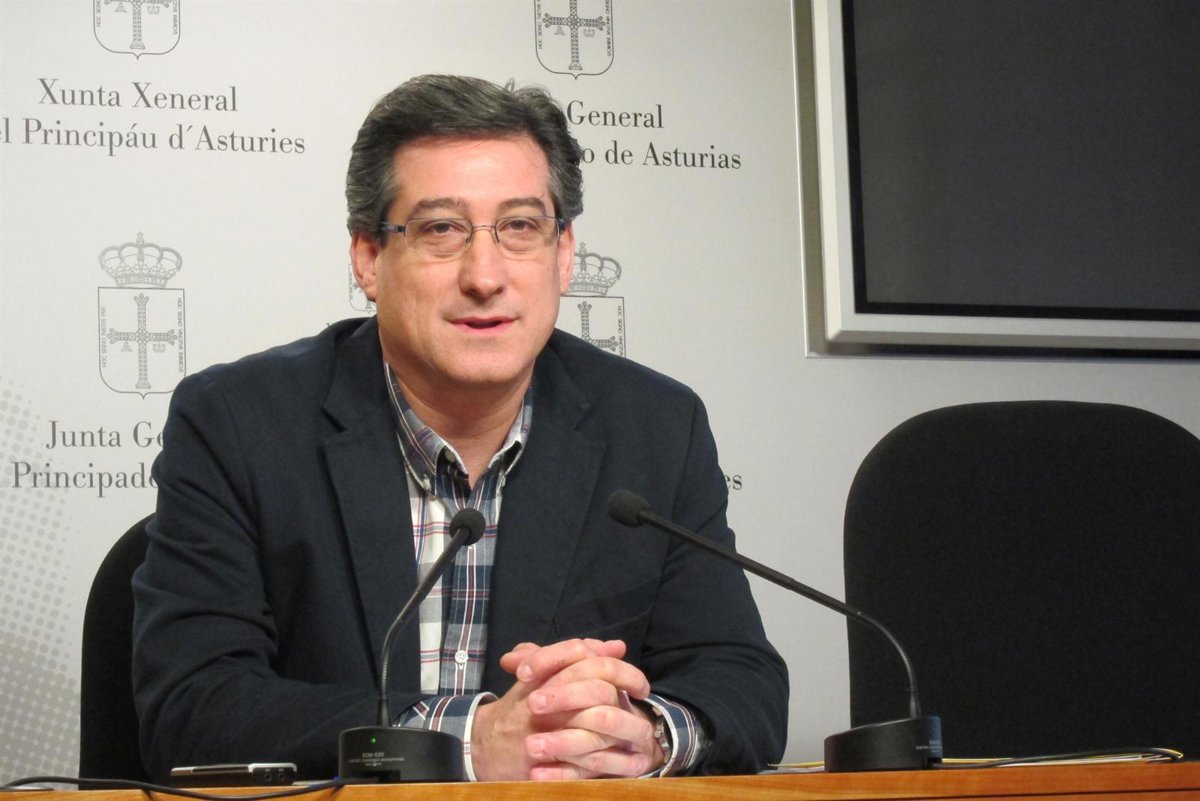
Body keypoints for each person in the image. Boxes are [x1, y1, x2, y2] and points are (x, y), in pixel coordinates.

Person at [132, 74, 787, 782]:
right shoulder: (238, 423)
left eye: (520, 228)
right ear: (368, 258)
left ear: (564, 253)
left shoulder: (655, 428)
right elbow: (192, 707)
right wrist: (469, 741)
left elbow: (742, 682)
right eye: (441, 229)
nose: (485, 275)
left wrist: (645, 734)